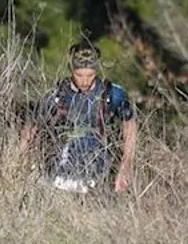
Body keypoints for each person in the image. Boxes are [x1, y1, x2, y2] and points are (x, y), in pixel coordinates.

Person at [26, 46, 138, 195]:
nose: (85, 81)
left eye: (90, 75)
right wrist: (25, 163)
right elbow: (31, 130)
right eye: (79, 75)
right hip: (58, 177)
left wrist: (126, 166)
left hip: (99, 177)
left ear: (96, 71)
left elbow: (130, 126)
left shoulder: (111, 94)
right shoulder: (57, 96)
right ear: (71, 70)